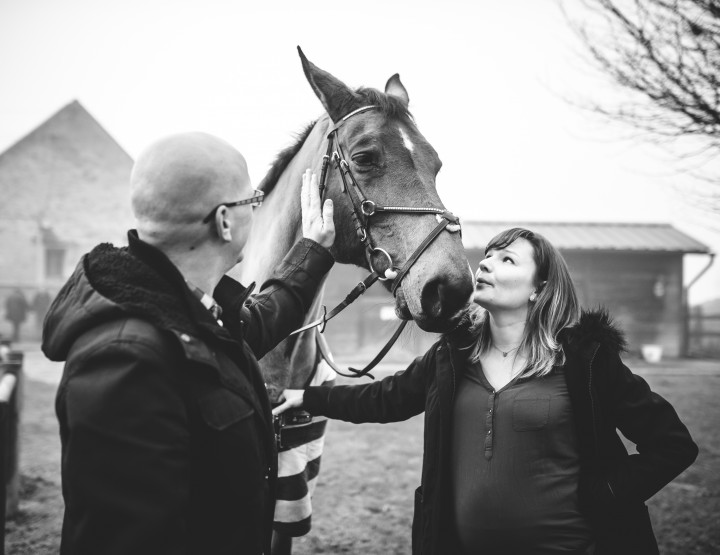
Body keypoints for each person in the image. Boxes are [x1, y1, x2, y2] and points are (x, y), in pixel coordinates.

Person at [273, 227, 698, 555]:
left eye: (508, 259)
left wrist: (606, 493)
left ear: (539, 289)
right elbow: (386, 398)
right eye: (488, 255)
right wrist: (309, 398)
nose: (487, 263)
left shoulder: (585, 360)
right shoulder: (454, 355)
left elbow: (672, 445)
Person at [42, 132, 335, 555]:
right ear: (224, 221)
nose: (257, 210)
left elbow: (260, 323)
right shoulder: (126, 361)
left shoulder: (190, 309)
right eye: (252, 202)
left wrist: (311, 249)